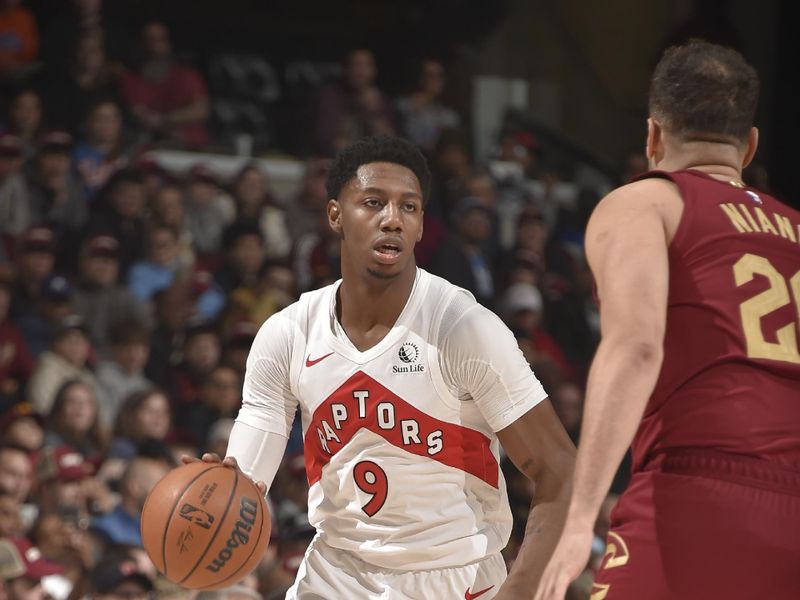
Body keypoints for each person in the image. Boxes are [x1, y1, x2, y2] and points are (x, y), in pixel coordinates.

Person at [197, 136, 575, 599]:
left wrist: (522, 590)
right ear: (335, 214)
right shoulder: (288, 334)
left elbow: (559, 468)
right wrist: (217, 496)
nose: (392, 219)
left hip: (456, 577)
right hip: (337, 573)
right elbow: (246, 480)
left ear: (419, 227)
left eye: (408, 208)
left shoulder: (463, 327)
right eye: (373, 203)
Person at [535, 39, 800, 600]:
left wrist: (580, 517)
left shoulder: (644, 203)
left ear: (654, 135)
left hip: (697, 492)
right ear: (748, 147)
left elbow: (635, 347)